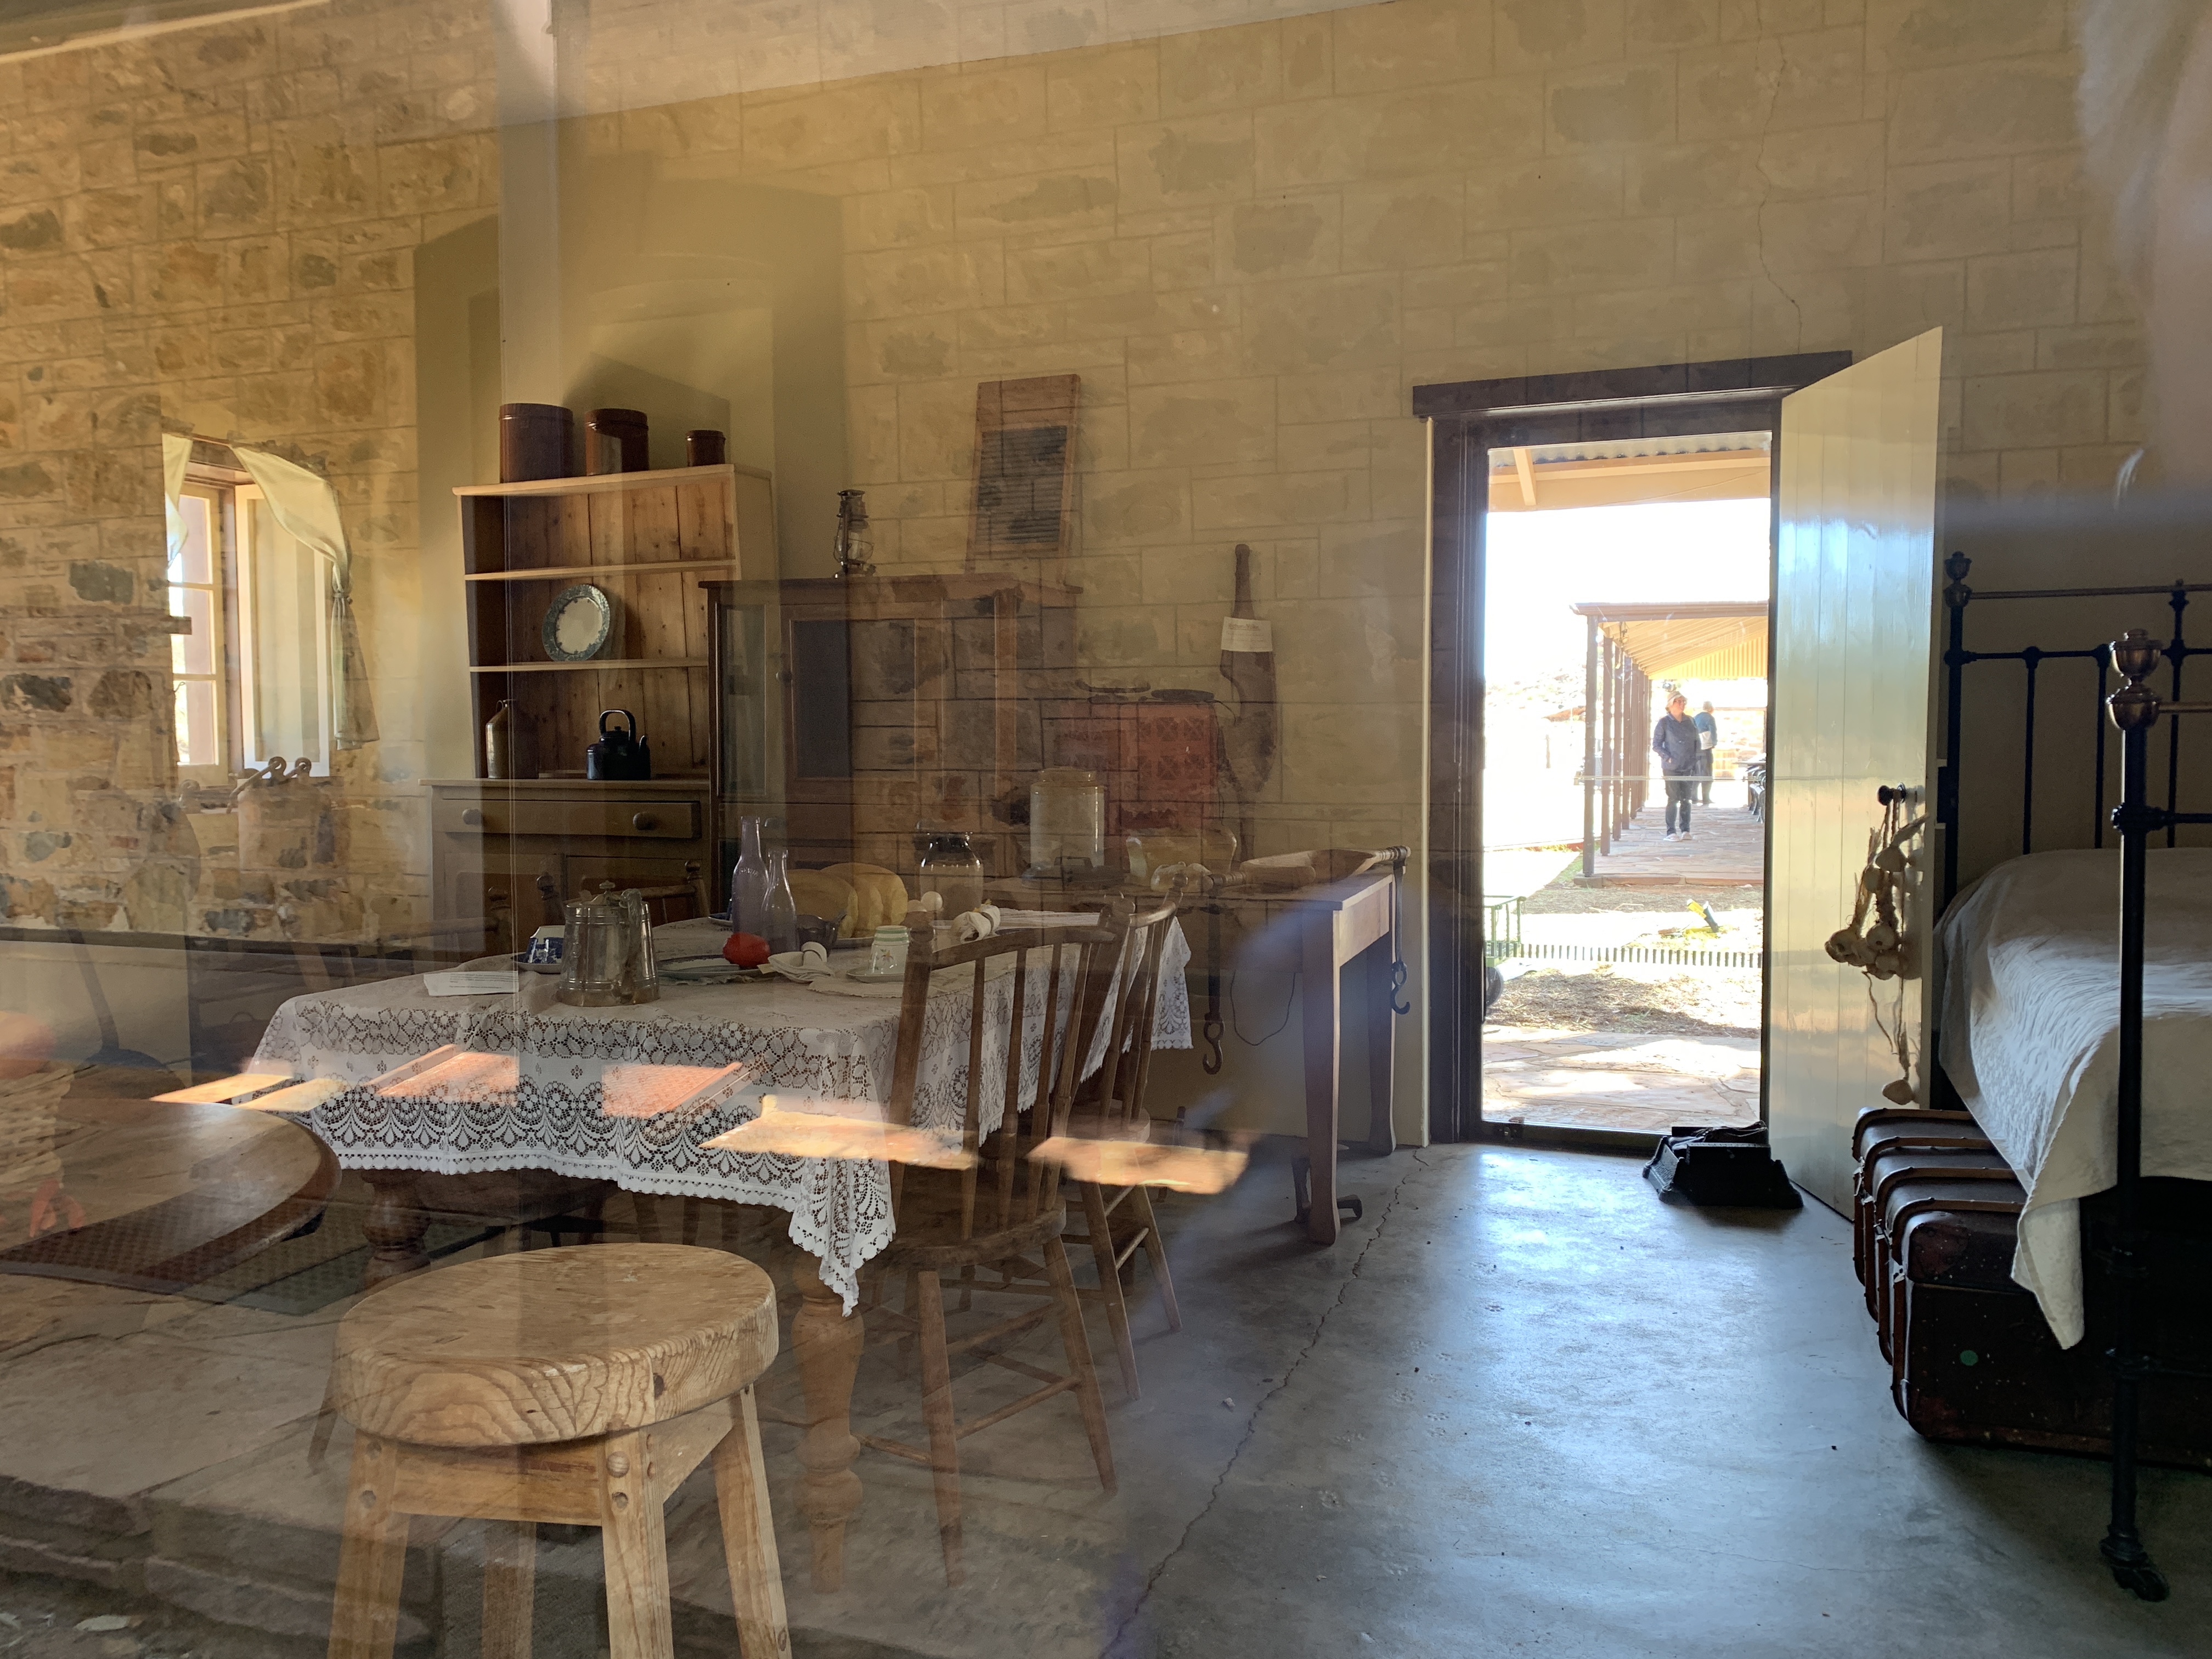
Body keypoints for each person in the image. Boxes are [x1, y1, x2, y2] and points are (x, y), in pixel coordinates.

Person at [1651, 692, 1701, 841]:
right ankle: (1671, 832)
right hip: (1671, 767)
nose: (1682, 704)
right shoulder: (1664, 723)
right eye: (1678, 701)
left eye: (1683, 701)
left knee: (1686, 799)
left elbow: (1697, 742)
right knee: (1673, 799)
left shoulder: (1690, 721)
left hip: (1688, 766)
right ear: (1670, 704)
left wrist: (1696, 759)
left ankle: (1686, 830)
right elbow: (1656, 745)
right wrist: (1668, 757)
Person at [1692, 701, 1718, 804]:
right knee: (1707, 774)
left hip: (1696, 749)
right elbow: (1713, 731)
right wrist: (1714, 743)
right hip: (1706, 748)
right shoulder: (1710, 718)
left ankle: (1694, 798)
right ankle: (1706, 799)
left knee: (1696, 774)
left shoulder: (1696, 717)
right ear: (1711, 708)